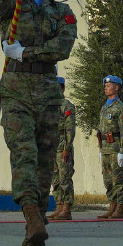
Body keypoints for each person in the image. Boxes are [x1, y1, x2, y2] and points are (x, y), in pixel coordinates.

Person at [0, 0, 80, 246]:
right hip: (16, 89)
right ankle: (31, 215)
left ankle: (33, 236)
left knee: (44, 161)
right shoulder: (11, 6)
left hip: (48, 90)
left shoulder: (61, 11)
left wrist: (26, 53)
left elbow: (63, 47)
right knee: (23, 152)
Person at [97, 75, 123, 219]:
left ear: (116, 87)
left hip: (116, 148)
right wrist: (100, 149)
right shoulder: (104, 107)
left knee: (118, 179)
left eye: (109, 86)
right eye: (105, 86)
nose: (106, 88)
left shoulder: (121, 108)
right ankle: (112, 206)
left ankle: (120, 208)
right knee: (108, 180)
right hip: (105, 147)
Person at [49, 81, 78, 222]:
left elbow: (70, 128)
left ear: (62, 88)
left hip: (62, 146)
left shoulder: (67, 105)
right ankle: (59, 206)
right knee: (55, 178)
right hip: (52, 146)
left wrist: (67, 147)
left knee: (65, 177)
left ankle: (67, 209)